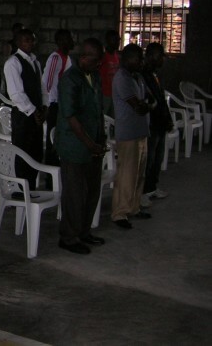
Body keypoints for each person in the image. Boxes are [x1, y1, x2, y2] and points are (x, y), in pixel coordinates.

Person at [55, 38, 107, 255]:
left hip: (93, 144)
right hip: (75, 146)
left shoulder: (94, 75)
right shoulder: (70, 79)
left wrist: (100, 139)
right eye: (95, 60)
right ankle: (69, 237)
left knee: (92, 191)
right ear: (83, 57)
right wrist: (90, 144)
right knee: (75, 194)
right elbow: (71, 117)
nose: (99, 65)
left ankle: (84, 231)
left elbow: (97, 109)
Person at [111, 44, 152, 230]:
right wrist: (146, 105)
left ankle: (134, 207)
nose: (141, 61)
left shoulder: (138, 77)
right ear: (127, 59)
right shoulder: (122, 78)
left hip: (141, 131)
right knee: (126, 175)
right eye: (138, 58)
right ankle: (120, 212)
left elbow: (150, 100)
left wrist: (146, 105)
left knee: (139, 174)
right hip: (127, 133)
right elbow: (139, 106)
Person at [4, 28, 47, 190]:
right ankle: (21, 190)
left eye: (32, 40)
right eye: (26, 40)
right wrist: (33, 111)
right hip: (23, 115)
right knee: (23, 151)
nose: (30, 43)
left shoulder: (35, 61)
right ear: (18, 43)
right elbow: (16, 93)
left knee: (35, 152)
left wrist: (44, 107)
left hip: (36, 113)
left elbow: (42, 88)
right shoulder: (13, 63)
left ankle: (31, 187)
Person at [141, 42, 172, 206]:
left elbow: (160, 98)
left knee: (157, 158)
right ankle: (143, 191)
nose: (162, 59)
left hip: (160, 122)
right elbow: (150, 100)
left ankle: (152, 187)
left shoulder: (154, 74)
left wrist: (167, 118)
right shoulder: (143, 76)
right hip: (151, 123)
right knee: (149, 158)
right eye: (160, 56)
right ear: (151, 56)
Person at [42, 29, 74, 165]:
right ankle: (51, 166)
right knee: (52, 135)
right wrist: (48, 102)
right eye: (68, 38)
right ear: (60, 42)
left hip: (62, 103)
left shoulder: (68, 58)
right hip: (54, 103)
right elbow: (47, 82)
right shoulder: (56, 58)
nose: (71, 41)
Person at [100, 30, 120, 117]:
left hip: (114, 93)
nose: (117, 42)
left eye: (118, 40)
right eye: (114, 40)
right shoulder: (103, 56)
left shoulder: (115, 55)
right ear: (108, 41)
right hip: (104, 93)